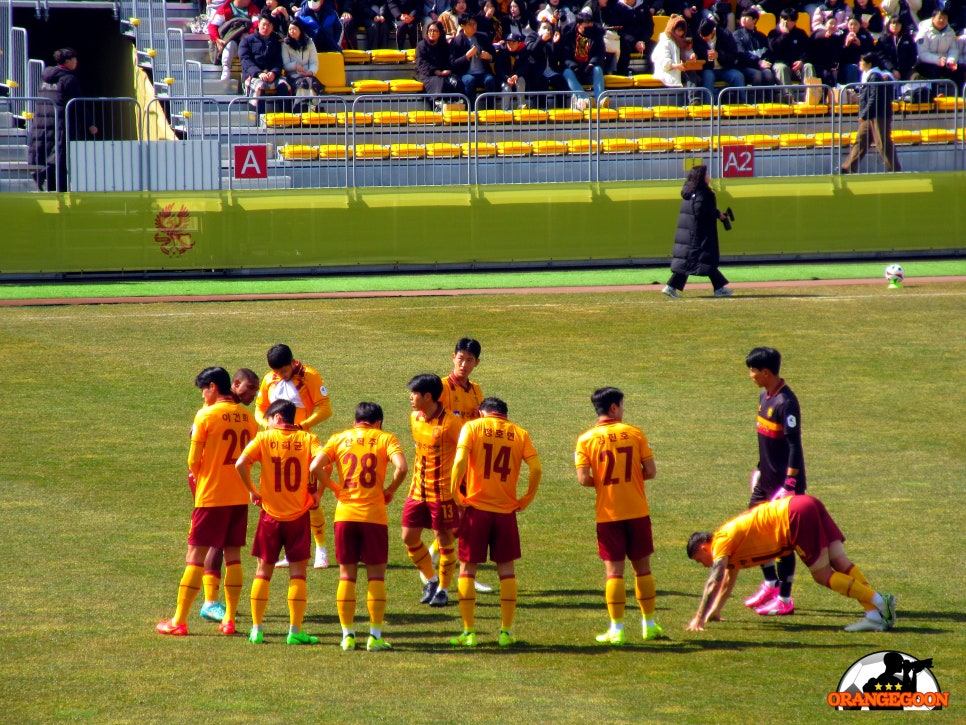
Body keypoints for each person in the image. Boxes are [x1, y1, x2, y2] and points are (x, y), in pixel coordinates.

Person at [685, 495, 898, 633]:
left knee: (822, 575)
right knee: (840, 561)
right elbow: (728, 579)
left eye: (699, 561)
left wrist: (698, 618)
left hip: (794, 516)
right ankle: (874, 615)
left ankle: (880, 601)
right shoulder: (729, 546)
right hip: (806, 503)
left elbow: (715, 579)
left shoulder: (721, 541)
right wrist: (715, 611)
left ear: (704, 548)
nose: (703, 565)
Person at [156, 367, 258, 637]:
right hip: (238, 497)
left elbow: (193, 461)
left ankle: (179, 620)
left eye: (204, 389)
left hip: (211, 496)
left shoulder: (206, 415)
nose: (203, 394)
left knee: (194, 558)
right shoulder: (249, 417)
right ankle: (229, 621)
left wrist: (205, 477)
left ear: (213, 387)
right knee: (234, 556)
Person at [311, 402, 408, 651]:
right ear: (378, 423)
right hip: (374, 516)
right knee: (376, 576)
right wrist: (390, 490)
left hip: (345, 515)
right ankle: (374, 636)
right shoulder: (386, 438)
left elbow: (314, 467)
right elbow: (402, 467)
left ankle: (347, 635)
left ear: (356, 421)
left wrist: (334, 488)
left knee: (346, 576)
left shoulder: (339, 438)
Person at [575, 387, 666, 645]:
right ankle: (649, 625)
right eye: (622, 406)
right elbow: (650, 470)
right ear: (613, 408)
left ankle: (617, 629)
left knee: (614, 573)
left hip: (608, 513)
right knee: (643, 570)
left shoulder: (586, 439)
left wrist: (605, 484)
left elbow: (583, 479)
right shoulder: (635, 434)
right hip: (637, 511)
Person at [449, 397, 542, 647]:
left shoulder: (472, 427)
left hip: (476, 509)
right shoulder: (520, 434)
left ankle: (469, 632)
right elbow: (536, 469)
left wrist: (456, 494)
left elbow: (459, 462)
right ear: (505, 414)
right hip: (505, 511)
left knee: (467, 570)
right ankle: (506, 632)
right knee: (507, 571)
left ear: (482, 412)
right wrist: (526, 498)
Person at [235, 400, 327, 644]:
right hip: (299, 515)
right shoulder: (309, 439)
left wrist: (253, 491)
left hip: (270, 516)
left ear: (276, 418)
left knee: (262, 572)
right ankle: (295, 632)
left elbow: (240, 463)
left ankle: (257, 629)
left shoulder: (264, 439)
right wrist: (320, 493)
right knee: (298, 575)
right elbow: (322, 464)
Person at [741, 346, 807, 616]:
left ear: (765, 372)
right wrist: (760, 468)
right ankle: (770, 582)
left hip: (783, 484)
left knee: (782, 541)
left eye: (753, 371)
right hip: (765, 479)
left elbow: (794, 446)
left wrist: (790, 484)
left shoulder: (786, 403)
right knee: (753, 529)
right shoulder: (764, 395)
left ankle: (785, 598)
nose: (751, 375)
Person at [254, 343, 332, 569]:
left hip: (301, 446)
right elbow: (260, 409)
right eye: (276, 372)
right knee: (285, 497)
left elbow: (326, 409)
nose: (280, 375)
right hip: (276, 447)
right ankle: (291, 551)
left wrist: (301, 425)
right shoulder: (269, 379)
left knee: (309, 499)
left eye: (284, 371)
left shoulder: (309, 377)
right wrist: (266, 425)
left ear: (292, 362)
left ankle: (321, 550)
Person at [198, 367, 261, 623]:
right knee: (216, 544)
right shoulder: (214, 411)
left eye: (257, 389)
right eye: (250, 388)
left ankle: (215, 602)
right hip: (214, 488)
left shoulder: (240, 415)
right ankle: (210, 601)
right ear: (235, 384)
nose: (254, 394)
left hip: (231, 489)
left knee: (223, 544)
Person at [402, 374, 464, 607]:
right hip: (417, 490)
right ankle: (431, 579)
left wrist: (462, 491)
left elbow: (465, 455)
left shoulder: (451, 424)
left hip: (443, 494)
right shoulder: (415, 417)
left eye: (414, 394)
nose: (410, 398)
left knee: (444, 540)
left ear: (428, 396)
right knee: (409, 537)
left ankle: (444, 590)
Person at [27, 48, 98, 193]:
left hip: (42, 122)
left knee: (44, 153)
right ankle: (59, 192)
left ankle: (43, 181)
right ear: (67, 61)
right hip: (60, 123)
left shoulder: (46, 78)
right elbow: (78, 103)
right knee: (60, 158)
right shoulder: (69, 79)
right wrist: (90, 123)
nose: (76, 62)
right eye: (74, 59)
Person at [662, 164, 734, 299]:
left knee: (693, 260)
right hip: (699, 233)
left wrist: (718, 214)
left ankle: (718, 287)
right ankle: (671, 286)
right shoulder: (704, 192)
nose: (709, 177)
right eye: (707, 174)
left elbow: (700, 209)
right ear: (701, 176)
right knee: (703, 259)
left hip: (690, 232)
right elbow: (701, 211)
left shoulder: (690, 190)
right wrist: (716, 214)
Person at [840, 53, 901, 173]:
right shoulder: (868, 76)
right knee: (861, 141)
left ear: (869, 64)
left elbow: (874, 98)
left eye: (862, 62)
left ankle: (894, 169)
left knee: (882, 143)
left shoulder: (875, 77)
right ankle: (848, 168)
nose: (859, 64)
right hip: (870, 115)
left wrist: (864, 114)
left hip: (878, 115)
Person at [558, 10, 607, 110]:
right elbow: (565, 56)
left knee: (598, 69)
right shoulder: (569, 36)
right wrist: (574, 67)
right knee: (567, 72)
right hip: (574, 70)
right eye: (586, 26)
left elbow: (600, 53)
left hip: (589, 69)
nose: (589, 27)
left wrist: (592, 64)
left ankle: (600, 100)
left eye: (590, 24)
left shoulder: (597, 35)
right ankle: (584, 98)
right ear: (578, 25)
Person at [693, 18, 746, 103]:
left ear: (713, 32)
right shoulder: (698, 38)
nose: (703, 39)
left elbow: (733, 55)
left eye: (706, 37)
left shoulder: (725, 35)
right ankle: (709, 108)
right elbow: (695, 53)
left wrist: (719, 55)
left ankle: (743, 106)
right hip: (708, 69)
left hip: (725, 68)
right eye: (701, 37)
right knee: (708, 76)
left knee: (738, 76)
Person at [240, 16, 294, 99]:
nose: (266, 27)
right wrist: (259, 73)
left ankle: (285, 111)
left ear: (272, 27)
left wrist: (274, 72)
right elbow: (245, 60)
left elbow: (278, 60)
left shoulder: (276, 40)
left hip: (272, 75)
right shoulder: (247, 40)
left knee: (284, 86)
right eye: (263, 24)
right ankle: (260, 112)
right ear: (258, 25)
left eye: (269, 25)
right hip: (253, 75)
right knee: (260, 87)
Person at [451, 13, 499, 105]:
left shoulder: (483, 37)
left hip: (483, 72)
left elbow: (494, 56)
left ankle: (491, 110)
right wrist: (466, 56)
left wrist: (489, 57)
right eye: (470, 24)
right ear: (462, 26)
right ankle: (471, 110)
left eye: (475, 24)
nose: (473, 26)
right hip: (466, 73)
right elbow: (453, 63)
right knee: (469, 81)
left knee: (490, 80)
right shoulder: (457, 41)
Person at [208, 0, 259, 81]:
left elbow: (257, 25)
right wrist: (217, 39)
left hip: (246, 40)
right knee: (230, 44)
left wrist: (247, 34)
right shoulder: (225, 8)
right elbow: (212, 26)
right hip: (230, 38)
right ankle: (226, 69)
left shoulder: (253, 9)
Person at [765, 7, 814, 88]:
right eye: (784, 19)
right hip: (781, 64)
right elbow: (773, 49)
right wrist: (784, 35)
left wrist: (802, 60)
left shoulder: (800, 34)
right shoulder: (773, 33)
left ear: (794, 22)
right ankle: (788, 97)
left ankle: (810, 95)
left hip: (796, 67)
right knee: (781, 68)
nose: (786, 22)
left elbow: (807, 50)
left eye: (789, 20)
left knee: (808, 66)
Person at [416, 21, 468, 96]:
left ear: (440, 33)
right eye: (430, 30)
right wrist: (435, 71)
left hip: (444, 72)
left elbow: (450, 60)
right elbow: (421, 63)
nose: (432, 33)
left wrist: (448, 70)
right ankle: (439, 103)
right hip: (427, 74)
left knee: (456, 81)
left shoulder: (445, 46)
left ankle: (458, 103)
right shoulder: (422, 45)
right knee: (439, 82)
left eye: (435, 31)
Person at [912, 8, 960, 85]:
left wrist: (951, 60)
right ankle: (934, 95)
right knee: (934, 70)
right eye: (940, 18)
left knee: (958, 71)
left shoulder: (950, 32)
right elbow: (922, 53)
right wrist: (937, 60)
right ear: (933, 18)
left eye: (945, 18)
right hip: (926, 63)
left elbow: (953, 49)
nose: (942, 20)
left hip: (944, 62)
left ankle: (958, 95)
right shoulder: (924, 31)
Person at [651, 14, 699, 90]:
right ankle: (694, 100)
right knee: (691, 76)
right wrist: (676, 66)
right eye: (679, 30)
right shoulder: (665, 42)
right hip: (667, 72)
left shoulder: (682, 41)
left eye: (682, 31)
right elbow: (664, 61)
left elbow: (687, 52)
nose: (681, 33)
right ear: (672, 29)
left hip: (679, 70)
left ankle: (693, 100)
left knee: (698, 78)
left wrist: (691, 56)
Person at [282, 16, 325, 102]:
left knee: (312, 84)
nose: (291, 31)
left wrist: (310, 72)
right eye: (290, 29)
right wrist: (295, 65)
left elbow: (314, 62)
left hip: (307, 73)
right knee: (301, 85)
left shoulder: (309, 42)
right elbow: (285, 64)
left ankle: (313, 108)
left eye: (294, 29)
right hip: (293, 75)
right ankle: (299, 108)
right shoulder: (285, 44)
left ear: (300, 30)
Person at [734, 9, 778, 86]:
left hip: (760, 66)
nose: (743, 19)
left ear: (754, 20)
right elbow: (741, 53)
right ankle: (757, 98)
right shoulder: (737, 35)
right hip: (744, 66)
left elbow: (767, 52)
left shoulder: (761, 36)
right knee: (757, 75)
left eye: (746, 17)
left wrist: (765, 61)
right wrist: (758, 62)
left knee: (769, 74)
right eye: (742, 16)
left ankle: (769, 98)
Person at [875, 15, 917, 80]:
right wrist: (892, 69)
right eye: (893, 23)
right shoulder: (883, 40)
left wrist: (904, 69)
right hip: (889, 70)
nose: (895, 26)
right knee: (886, 78)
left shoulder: (908, 39)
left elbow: (913, 55)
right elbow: (882, 56)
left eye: (898, 24)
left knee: (915, 76)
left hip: (906, 70)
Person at [838, 15, 876, 84]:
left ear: (860, 25)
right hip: (847, 65)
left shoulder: (866, 35)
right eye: (851, 24)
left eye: (855, 24)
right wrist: (846, 45)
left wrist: (860, 45)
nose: (853, 27)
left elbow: (870, 52)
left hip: (862, 63)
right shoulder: (843, 35)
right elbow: (839, 56)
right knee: (853, 69)